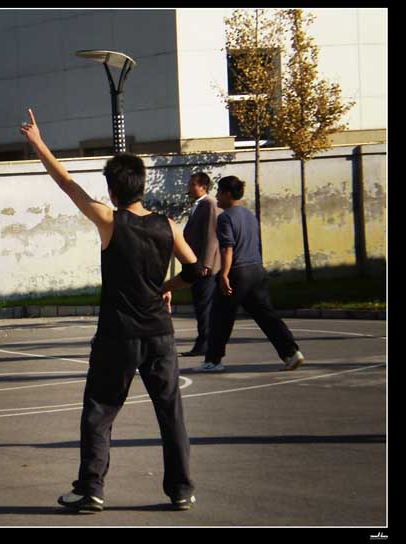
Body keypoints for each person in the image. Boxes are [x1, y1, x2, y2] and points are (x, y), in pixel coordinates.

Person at [20, 109, 199, 513]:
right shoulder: (168, 225)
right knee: (170, 412)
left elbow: (68, 184)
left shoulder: (109, 221)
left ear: (113, 190)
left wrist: (39, 144)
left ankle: (91, 488)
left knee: (100, 411)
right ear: (141, 185)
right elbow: (196, 270)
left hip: (118, 335)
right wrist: (166, 287)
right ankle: (181, 489)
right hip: (159, 334)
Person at [196, 176, 305, 372]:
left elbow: (227, 249)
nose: (216, 196)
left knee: (220, 317)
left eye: (219, 192)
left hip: (238, 272)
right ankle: (291, 352)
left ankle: (213, 360)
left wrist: (224, 275)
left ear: (227, 194)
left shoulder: (225, 217)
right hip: (256, 270)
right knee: (266, 315)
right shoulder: (249, 215)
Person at [179, 173, 221, 357]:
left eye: (192, 184)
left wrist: (207, 263)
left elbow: (212, 235)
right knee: (200, 304)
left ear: (203, 187)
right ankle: (205, 342)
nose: (189, 187)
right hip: (196, 263)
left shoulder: (209, 204)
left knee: (204, 306)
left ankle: (205, 343)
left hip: (204, 266)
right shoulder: (199, 204)